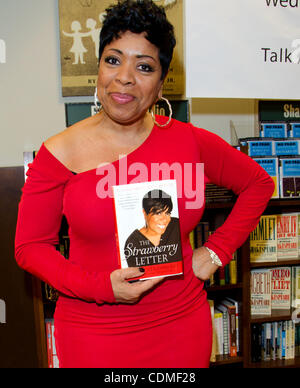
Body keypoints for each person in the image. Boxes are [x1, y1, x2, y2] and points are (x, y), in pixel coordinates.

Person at [15, 0, 274, 368]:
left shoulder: (190, 141)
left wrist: (215, 252)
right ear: (99, 66)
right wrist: (104, 287)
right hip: (94, 331)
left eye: (144, 66)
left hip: (181, 324)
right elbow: (29, 247)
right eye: (113, 59)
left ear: (161, 81)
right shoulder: (59, 152)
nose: (125, 77)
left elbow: (258, 185)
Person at [124, 189, 182, 267]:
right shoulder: (133, 243)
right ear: (145, 213)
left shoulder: (176, 226)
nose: (164, 219)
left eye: (167, 213)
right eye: (158, 213)